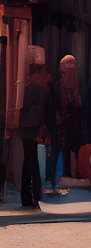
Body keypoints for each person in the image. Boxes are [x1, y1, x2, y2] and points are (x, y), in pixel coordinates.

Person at [16, 50, 50, 209]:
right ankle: (33, 195)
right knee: (33, 163)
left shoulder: (28, 85)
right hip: (34, 129)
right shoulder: (40, 86)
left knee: (29, 162)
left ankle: (29, 195)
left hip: (26, 129)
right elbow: (42, 111)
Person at [51, 53, 83, 191]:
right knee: (68, 148)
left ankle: (66, 175)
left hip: (67, 122)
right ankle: (68, 175)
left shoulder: (61, 85)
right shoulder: (69, 85)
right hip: (68, 122)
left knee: (66, 148)